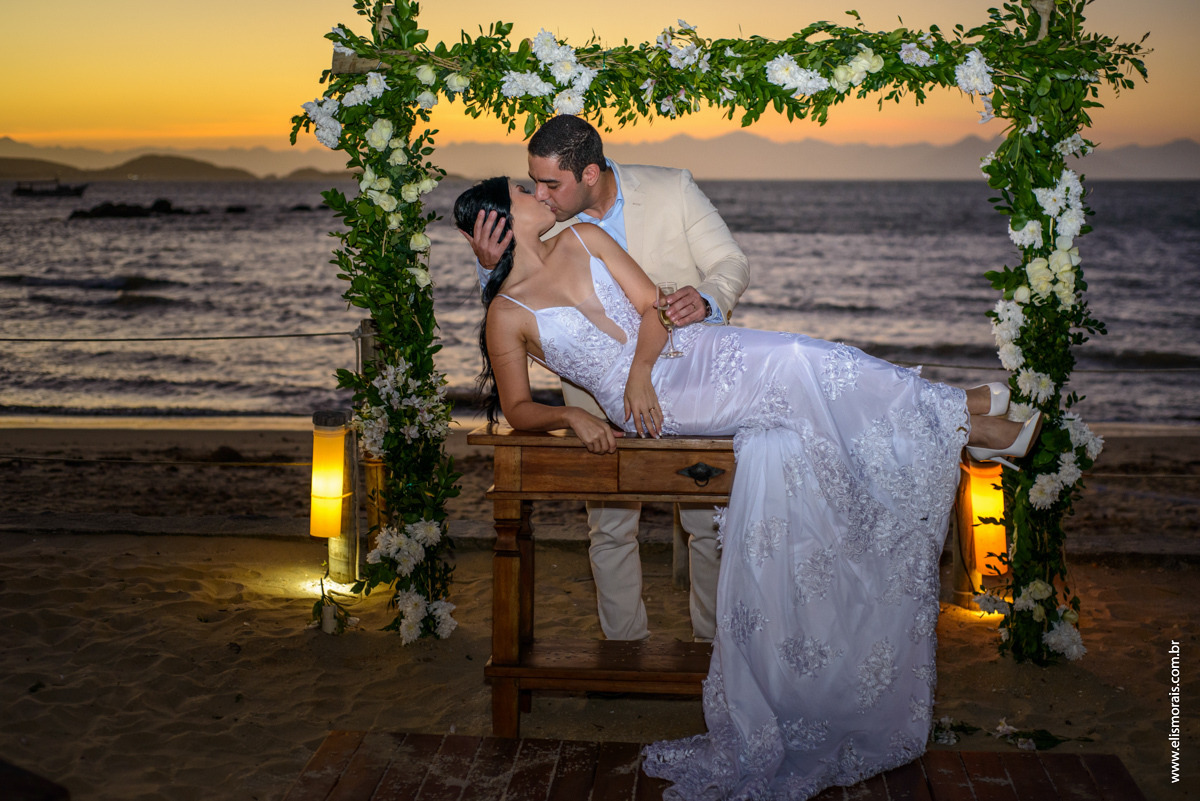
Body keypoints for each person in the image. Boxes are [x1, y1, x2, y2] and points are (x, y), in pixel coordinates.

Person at [452, 176, 1041, 799]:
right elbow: (517, 408)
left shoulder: (587, 236)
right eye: (523, 188)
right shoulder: (506, 314)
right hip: (661, 407)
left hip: (683, 357)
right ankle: (968, 416)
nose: (540, 190)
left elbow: (655, 305)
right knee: (798, 365)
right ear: (496, 221)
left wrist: (644, 370)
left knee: (810, 357)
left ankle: (964, 418)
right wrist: (571, 415)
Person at [461, 115, 749, 643]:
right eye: (534, 183)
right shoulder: (546, 217)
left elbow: (729, 261)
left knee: (707, 521)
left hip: (687, 371)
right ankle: (623, 647)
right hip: (595, 394)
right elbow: (519, 293)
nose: (541, 195)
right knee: (610, 525)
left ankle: (712, 645)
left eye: (551, 183)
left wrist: (707, 299)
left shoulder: (671, 189)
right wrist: (485, 266)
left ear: (589, 174)